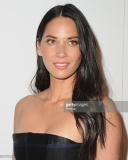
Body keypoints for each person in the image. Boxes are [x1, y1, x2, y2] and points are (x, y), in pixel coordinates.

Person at [12, 4, 122, 160]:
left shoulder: (101, 109)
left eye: (72, 42)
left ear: (83, 48)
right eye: (51, 41)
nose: (61, 53)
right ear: (38, 46)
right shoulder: (23, 106)